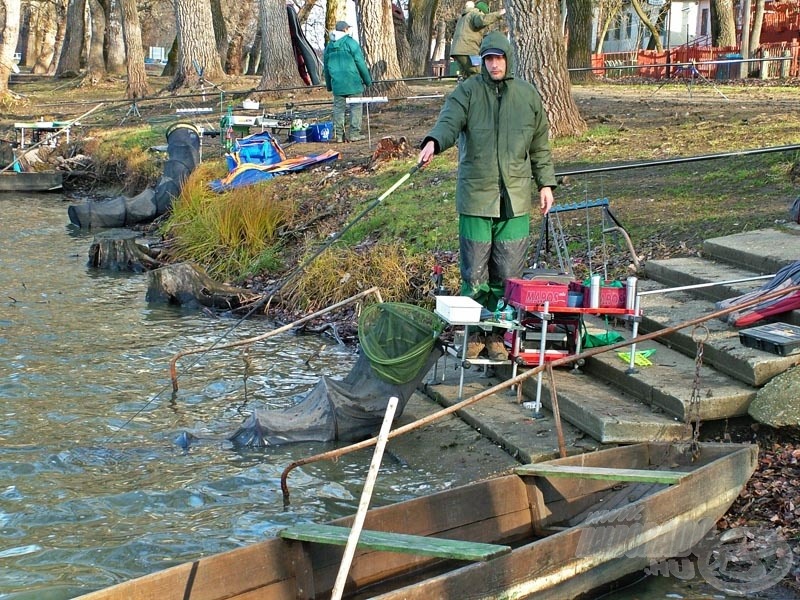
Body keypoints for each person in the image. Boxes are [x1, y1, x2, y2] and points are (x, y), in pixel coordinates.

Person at [418, 31, 556, 360]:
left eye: (499, 58)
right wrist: (433, 142)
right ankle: (475, 333)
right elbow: (448, 123)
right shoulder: (466, 92)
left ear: (509, 59)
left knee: (507, 275)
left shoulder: (528, 96)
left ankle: (497, 335)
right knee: (474, 274)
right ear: (483, 61)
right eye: (489, 59)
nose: (494, 64)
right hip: (476, 197)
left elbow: (540, 147)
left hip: (516, 199)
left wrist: (545, 184)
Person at [323, 21, 373, 143]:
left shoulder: (329, 47)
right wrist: (368, 81)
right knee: (356, 107)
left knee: (338, 109)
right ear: (345, 29)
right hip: (353, 83)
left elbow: (326, 68)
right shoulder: (351, 43)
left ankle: (339, 135)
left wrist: (330, 86)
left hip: (337, 85)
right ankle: (354, 134)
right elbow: (360, 63)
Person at [449, 1, 506, 79]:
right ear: (481, 11)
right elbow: (482, 20)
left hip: (457, 51)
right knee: (479, 73)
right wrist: (498, 14)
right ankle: (480, 90)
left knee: (467, 77)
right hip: (468, 50)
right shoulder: (475, 14)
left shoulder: (464, 17)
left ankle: (467, 90)